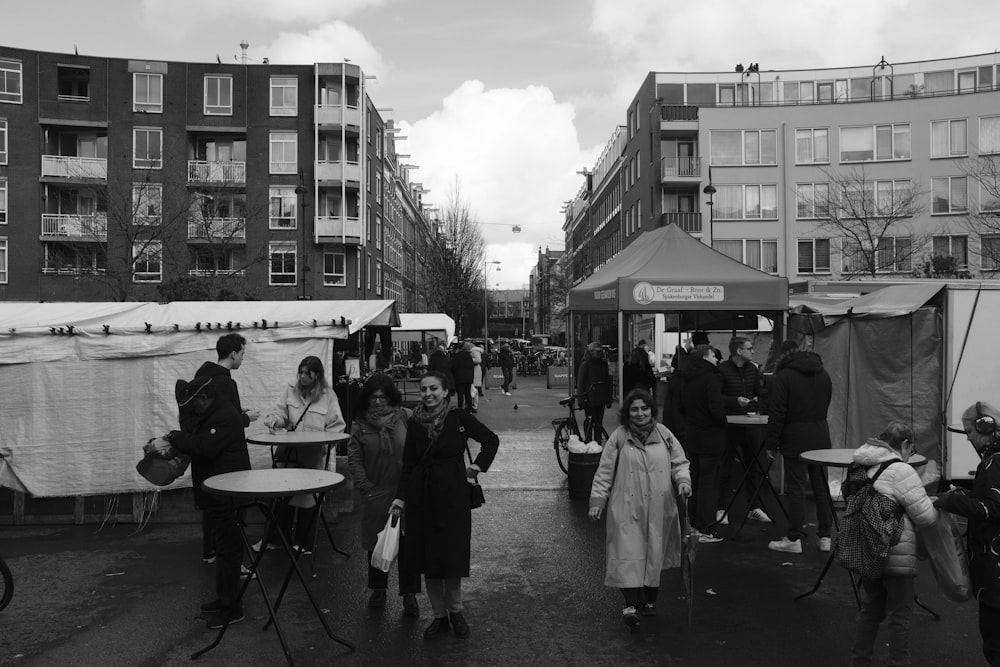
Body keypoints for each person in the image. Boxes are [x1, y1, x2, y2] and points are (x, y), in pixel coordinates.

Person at [390, 370, 500, 640]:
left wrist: (476, 466)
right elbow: (409, 465)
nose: (428, 394)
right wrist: (400, 498)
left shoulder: (459, 417)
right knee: (429, 558)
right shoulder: (415, 422)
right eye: (424, 389)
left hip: (453, 494)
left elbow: (490, 440)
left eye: (433, 389)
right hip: (421, 496)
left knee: (451, 556)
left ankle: (456, 612)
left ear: (446, 392)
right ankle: (439, 616)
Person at [588, 388, 692, 629]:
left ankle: (649, 602)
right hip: (626, 507)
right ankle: (630, 605)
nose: (640, 413)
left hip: (659, 507)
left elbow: (680, 463)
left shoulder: (665, 435)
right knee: (628, 555)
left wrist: (684, 482)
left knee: (653, 555)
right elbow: (604, 471)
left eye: (644, 408)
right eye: (634, 409)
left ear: (651, 410)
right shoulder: (619, 437)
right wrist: (597, 501)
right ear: (627, 413)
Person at [161, 376, 250, 629]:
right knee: (223, 550)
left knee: (230, 553)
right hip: (219, 492)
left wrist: (176, 437)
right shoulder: (214, 414)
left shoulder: (223, 416)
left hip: (229, 494)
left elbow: (205, 447)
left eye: (194, 404)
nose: (192, 410)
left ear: (204, 398)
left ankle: (233, 608)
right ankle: (224, 600)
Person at [848, 421, 937, 667]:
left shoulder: (860, 464)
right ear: (905, 444)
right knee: (900, 616)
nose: (910, 456)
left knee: (870, 611)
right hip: (896, 553)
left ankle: (859, 661)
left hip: (867, 549)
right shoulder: (901, 470)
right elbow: (925, 516)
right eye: (911, 449)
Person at [346, 375, 421, 615]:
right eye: (373, 397)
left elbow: (418, 449)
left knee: (409, 546)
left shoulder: (405, 418)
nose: (378, 401)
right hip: (375, 493)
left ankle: (409, 594)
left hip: (405, 491)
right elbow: (355, 460)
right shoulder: (359, 425)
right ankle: (378, 589)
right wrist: (366, 487)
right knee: (377, 544)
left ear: (390, 397)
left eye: (382, 396)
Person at [935, 401, 1000, 666]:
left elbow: (993, 508)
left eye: (970, 432)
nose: (969, 438)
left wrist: (950, 502)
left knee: (995, 642)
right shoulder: (993, 459)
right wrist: (965, 495)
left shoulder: (995, 462)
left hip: (995, 571)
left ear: (986, 428)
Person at [260, 356, 347, 552]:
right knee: (283, 496)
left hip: (313, 456)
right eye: (301, 372)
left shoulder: (328, 396)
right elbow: (279, 412)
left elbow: (338, 425)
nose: (303, 377)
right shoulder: (290, 391)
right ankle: (279, 539)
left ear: (317, 375)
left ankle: (304, 543)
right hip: (290, 454)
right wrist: (274, 420)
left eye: (308, 373)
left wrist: (324, 444)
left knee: (309, 499)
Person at [193, 333, 260, 564]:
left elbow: (211, 419)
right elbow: (225, 424)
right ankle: (231, 562)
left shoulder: (202, 377)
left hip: (208, 455)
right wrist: (245, 418)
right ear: (233, 354)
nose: (242, 358)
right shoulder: (225, 382)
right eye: (242, 353)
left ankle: (210, 551)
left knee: (213, 505)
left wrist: (238, 415)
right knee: (232, 510)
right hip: (228, 458)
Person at [764, 340, 834, 554]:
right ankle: (825, 537)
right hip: (820, 436)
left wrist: (771, 443)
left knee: (797, 490)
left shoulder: (783, 378)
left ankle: (794, 538)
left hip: (794, 438)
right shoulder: (824, 375)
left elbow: (777, 414)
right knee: (821, 488)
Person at [676, 344, 728, 543]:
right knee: (708, 483)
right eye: (714, 356)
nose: (716, 359)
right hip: (711, 436)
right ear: (706, 357)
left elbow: (680, 406)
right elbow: (716, 408)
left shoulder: (686, 378)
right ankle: (705, 527)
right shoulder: (711, 378)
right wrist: (723, 422)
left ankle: (693, 523)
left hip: (693, 435)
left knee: (696, 480)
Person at [717, 336, 771, 525]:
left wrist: (757, 404)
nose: (753, 351)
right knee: (725, 465)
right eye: (749, 348)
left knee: (754, 465)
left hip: (751, 423)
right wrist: (734, 401)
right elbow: (717, 397)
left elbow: (760, 392)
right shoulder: (722, 370)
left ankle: (754, 506)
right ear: (739, 351)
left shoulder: (753, 370)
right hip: (729, 425)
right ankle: (721, 508)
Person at [576, 342, 612, 445]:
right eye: (597, 351)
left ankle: (597, 442)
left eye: (600, 351)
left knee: (598, 422)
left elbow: (607, 382)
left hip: (600, 399)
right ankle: (589, 441)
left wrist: (608, 398)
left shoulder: (603, 364)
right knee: (590, 421)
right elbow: (581, 383)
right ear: (591, 352)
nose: (599, 353)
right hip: (590, 399)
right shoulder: (586, 364)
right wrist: (581, 399)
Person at [451, 342, 476, 412]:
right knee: (468, 393)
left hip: (459, 378)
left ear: (458, 349)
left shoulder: (456, 356)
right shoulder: (469, 356)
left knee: (460, 394)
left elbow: (454, 367)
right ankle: (470, 407)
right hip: (468, 377)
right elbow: (472, 367)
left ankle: (460, 408)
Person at [469, 341, 484, 409]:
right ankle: (474, 405)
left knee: (473, 390)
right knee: (474, 390)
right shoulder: (476, 351)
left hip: (475, 372)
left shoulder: (474, 352)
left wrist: (469, 360)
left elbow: (478, 360)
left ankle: (474, 406)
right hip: (477, 372)